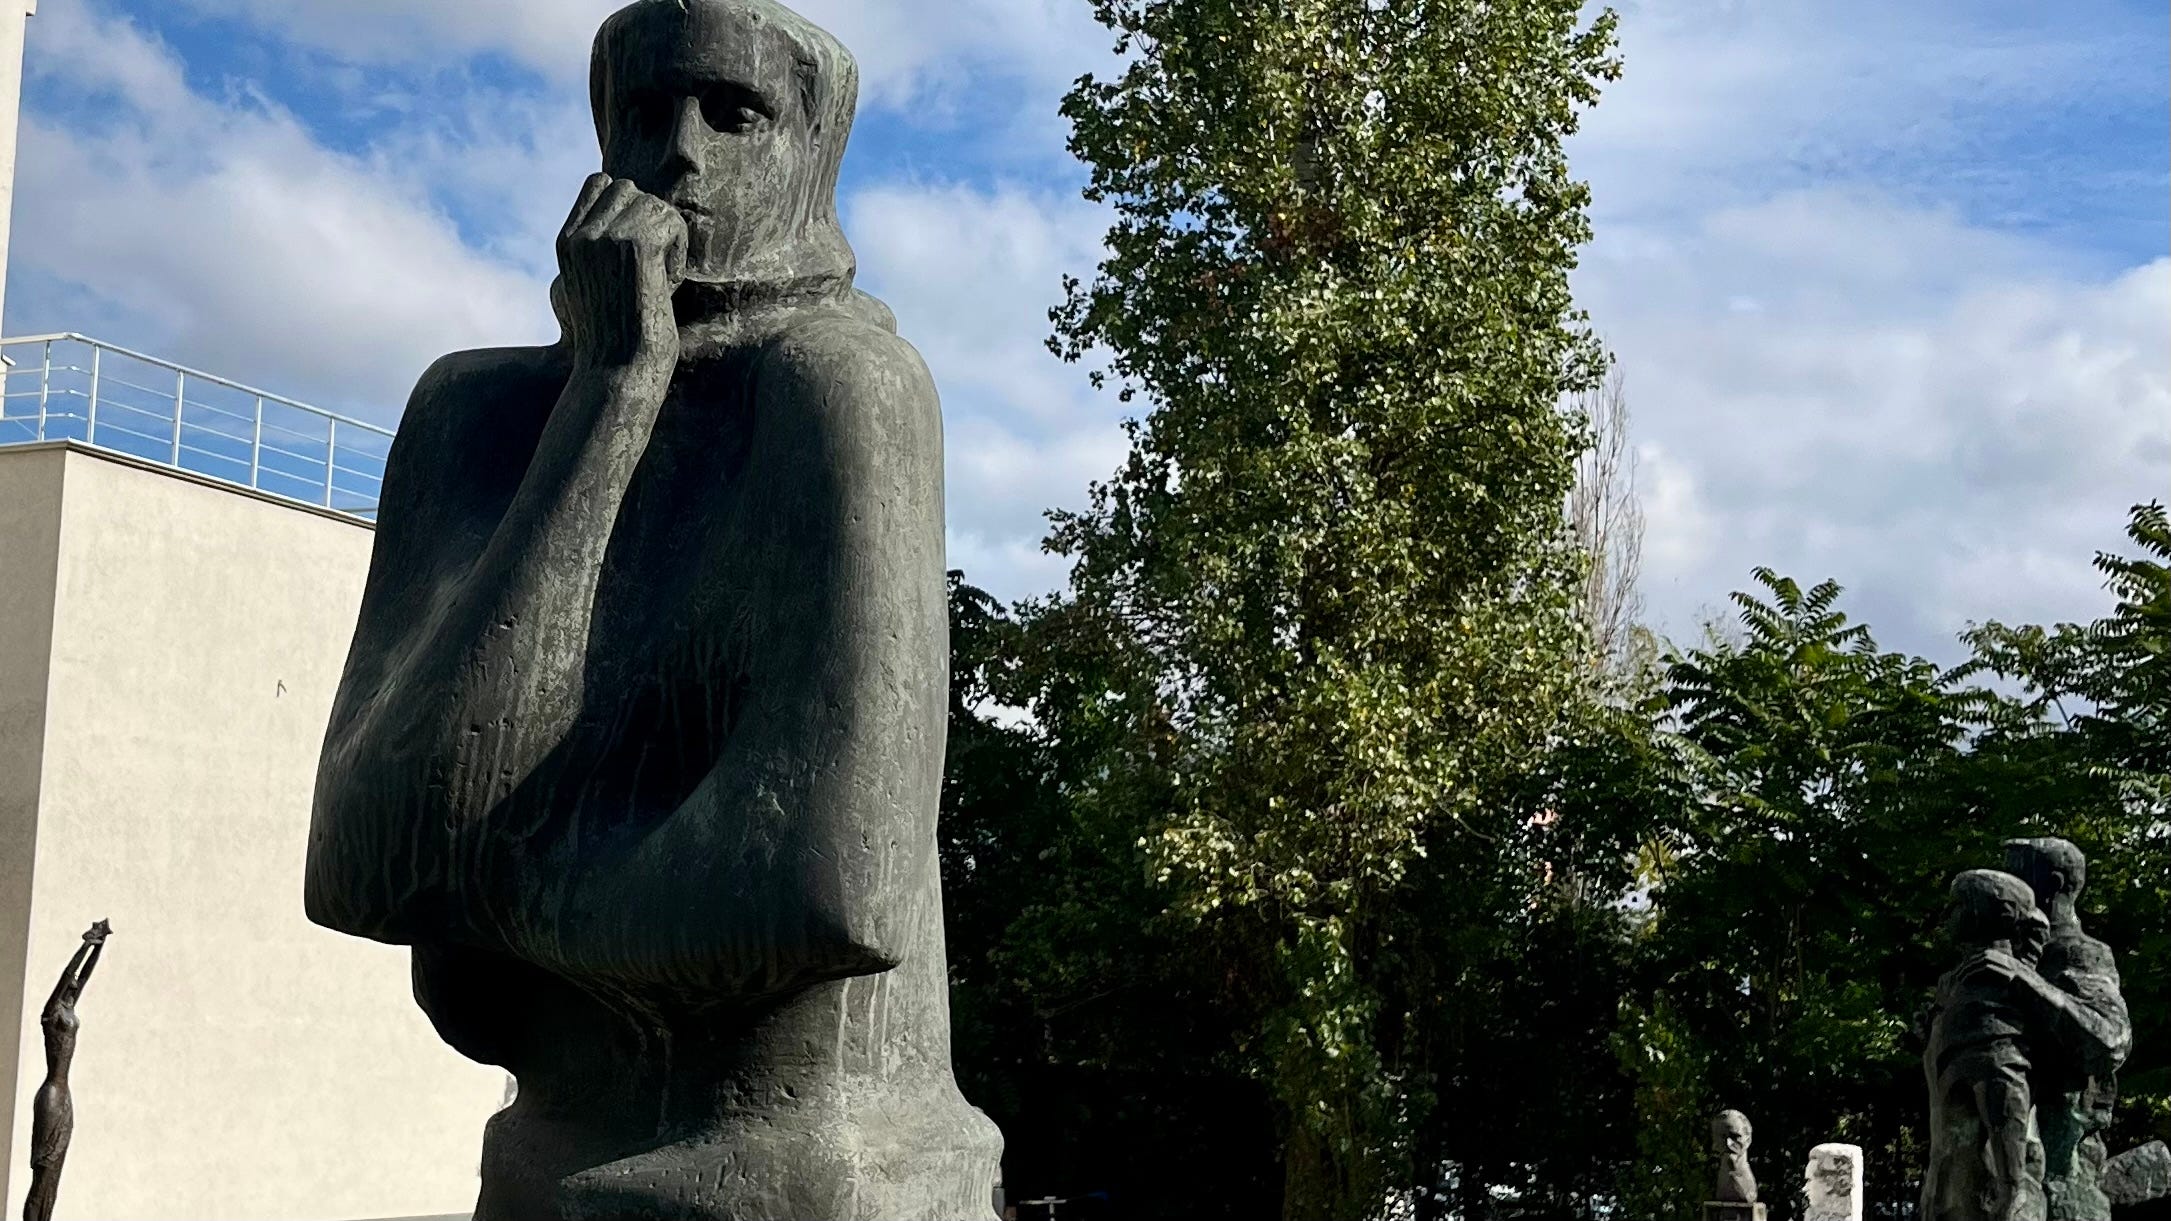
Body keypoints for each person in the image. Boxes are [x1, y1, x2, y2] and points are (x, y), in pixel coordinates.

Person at [2001, 838, 2133, 1221]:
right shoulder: (2011, 954)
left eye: (2016, 874)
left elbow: (2111, 1040)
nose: (2006, 885)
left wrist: (2030, 984)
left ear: (2053, 884)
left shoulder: (2079, 953)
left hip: (2061, 1165)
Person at [1922, 870, 2051, 1221]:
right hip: (1951, 1181)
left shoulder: (1993, 979)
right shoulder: (1957, 982)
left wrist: (2011, 1190)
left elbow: (2005, 1090)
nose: (1947, 915)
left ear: (1990, 915)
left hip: (1984, 1193)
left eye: (1958, 906)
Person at [23, 920, 111, 1221]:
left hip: (65, 1096)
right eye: (69, 989)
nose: (74, 989)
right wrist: (85, 945)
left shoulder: (70, 1009)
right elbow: (70, 975)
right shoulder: (51, 1014)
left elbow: (84, 976)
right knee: (42, 1174)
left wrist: (100, 946)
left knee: (54, 1176)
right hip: (50, 1095)